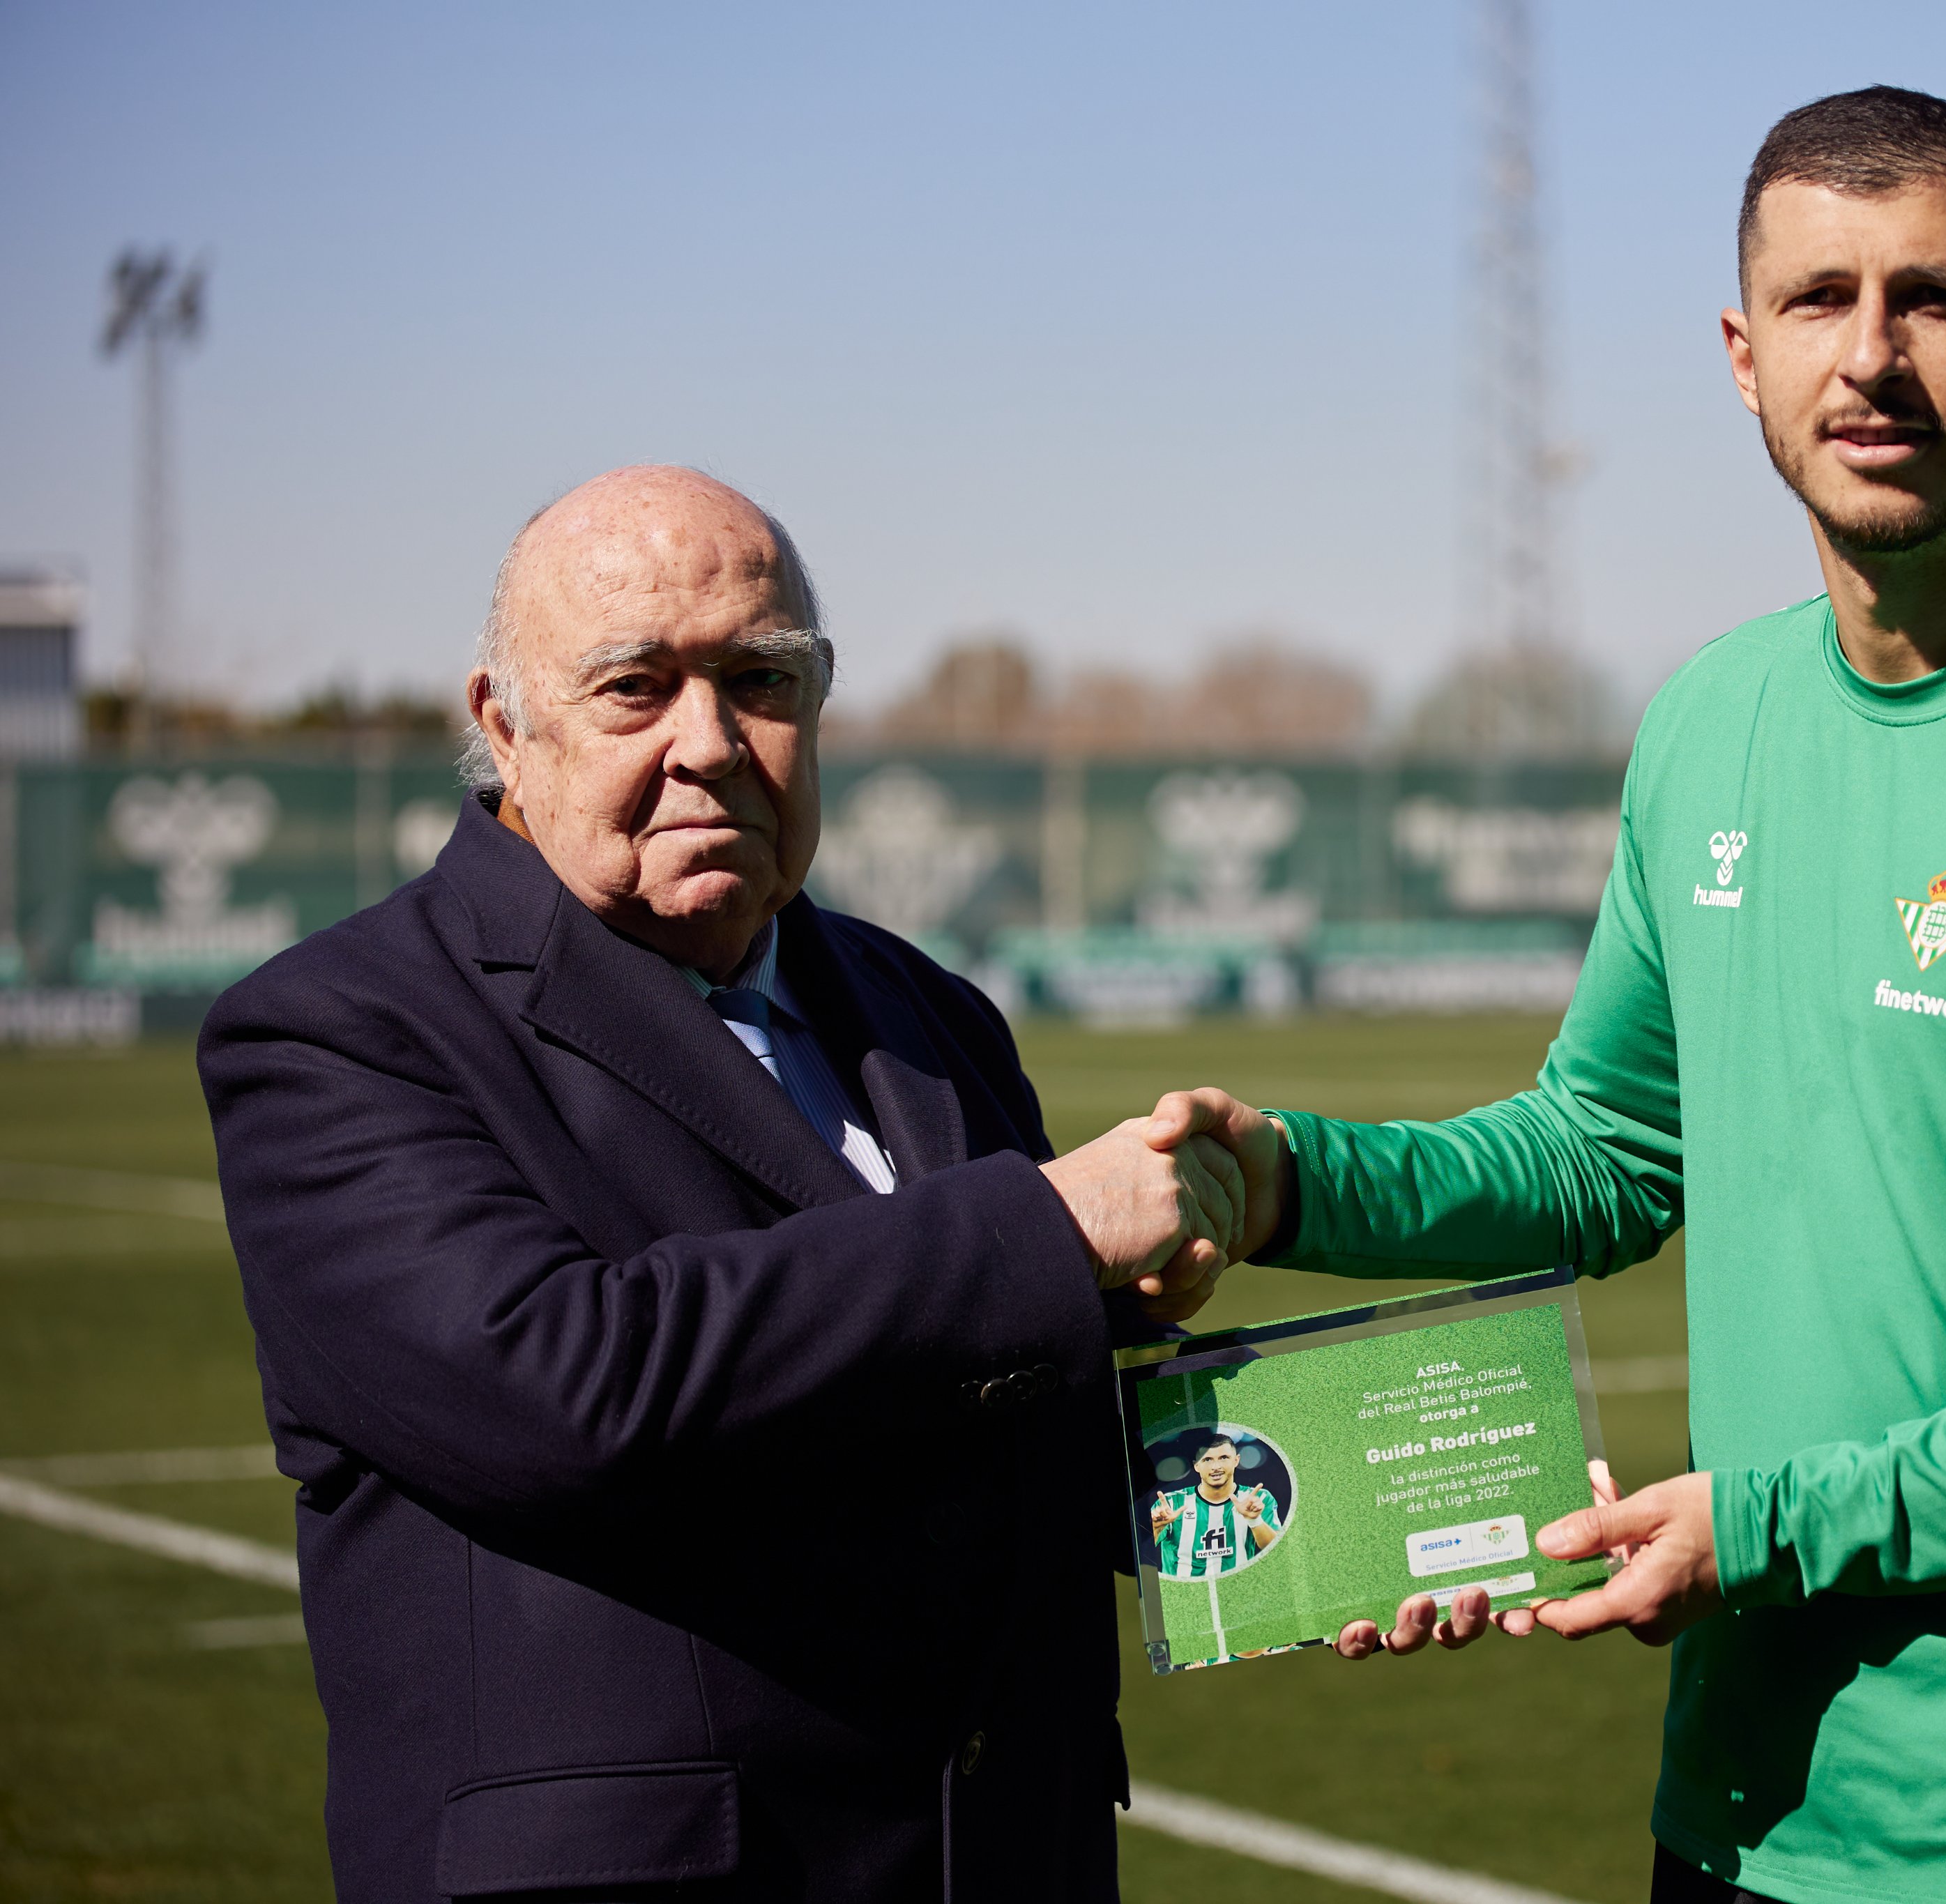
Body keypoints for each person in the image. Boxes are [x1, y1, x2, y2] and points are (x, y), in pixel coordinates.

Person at [1147, 86, 1946, 1904]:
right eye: (1817, 301)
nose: (1870, 358)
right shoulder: (1709, 722)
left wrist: (1778, 1525)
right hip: (1742, 1811)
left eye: (1932, 301)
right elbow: (1605, 1150)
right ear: (1741, 355)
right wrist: (1291, 1184)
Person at [197, 466, 1238, 1903]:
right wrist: (1045, 1227)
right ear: (504, 725)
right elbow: (565, 1388)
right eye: (635, 687)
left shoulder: (929, 1013)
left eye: (761, 679)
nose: (709, 743)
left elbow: (999, 1408)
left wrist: (1365, 1506)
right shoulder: (338, 1029)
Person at [1148, 1431, 1285, 1578]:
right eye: (1207, 1460)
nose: (1216, 1466)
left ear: (1236, 1460)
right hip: (1185, 1589)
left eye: (1224, 1458)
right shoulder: (1170, 1503)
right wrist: (1156, 1528)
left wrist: (1254, 1520)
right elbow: (1140, 1552)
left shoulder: (1258, 1499)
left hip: (1237, 1586)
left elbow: (1275, 1550)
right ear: (1196, 1466)